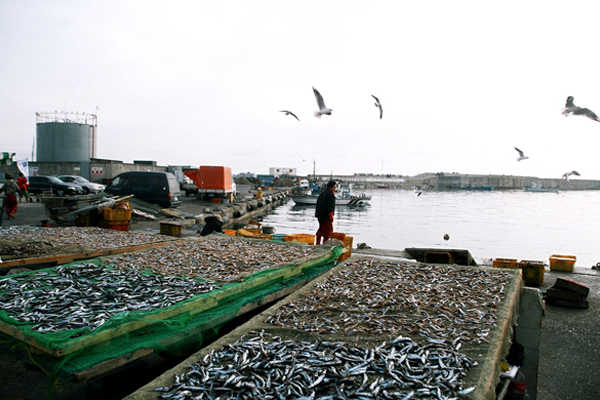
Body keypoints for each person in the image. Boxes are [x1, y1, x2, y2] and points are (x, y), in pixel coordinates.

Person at [315, 180, 337, 245]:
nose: (335, 188)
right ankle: (325, 245)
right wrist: (331, 216)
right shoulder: (330, 195)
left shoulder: (322, 194)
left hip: (319, 215)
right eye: (335, 187)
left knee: (321, 229)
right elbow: (329, 206)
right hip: (326, 216)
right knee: (328, 231)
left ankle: (318, 243)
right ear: (331, 187)